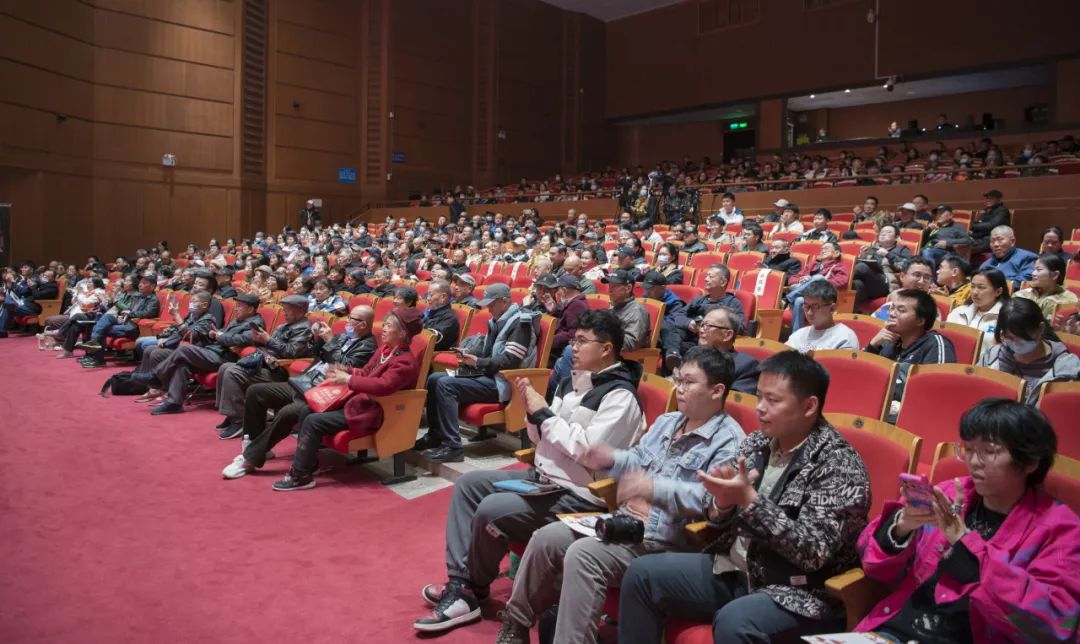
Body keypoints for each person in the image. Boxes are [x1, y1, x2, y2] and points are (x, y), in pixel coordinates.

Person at [414, 310, 646, 634]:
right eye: (574, 340)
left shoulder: (620, 396)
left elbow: (590, 453)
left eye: (582, 341)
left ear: (606, 349)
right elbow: (543, 439)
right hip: (545, 479)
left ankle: (471, 590)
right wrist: (533, 415)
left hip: (579, 493)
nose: (573, 347)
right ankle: (461, 584)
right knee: (469, 484)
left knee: (492, 509)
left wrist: (544, 415)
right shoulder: (571, 379)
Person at [496, 346, 746, 644]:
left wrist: (654, 489)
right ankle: (517, 625)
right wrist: (610, 459)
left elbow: (708, 499)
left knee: (584, 556)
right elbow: (638, 458)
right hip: (625, 521)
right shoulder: (669, 421)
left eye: (689, 382)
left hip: (666, 540)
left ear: (717, 390)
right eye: (678, 379)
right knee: (546, 538)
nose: (679, 388)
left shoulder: (729, 442)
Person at [618, 351, 871, 644]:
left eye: (772, 400)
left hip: (798, 591)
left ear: (809, 406)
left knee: (735, 621)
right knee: (642, 574)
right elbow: (715, 513)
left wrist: (751, 502)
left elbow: (813, 553)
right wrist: (722, 505)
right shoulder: (757, 443)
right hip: (736, 569)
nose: (760, 408)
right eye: (759, 396)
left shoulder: (839, 465)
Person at [855, 399, 1080, 642]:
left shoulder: (1060, 529)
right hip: (895, 630)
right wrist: (902, 527)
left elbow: (1055, 624)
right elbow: (873, 565)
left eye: (989, 451)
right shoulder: (948, 494)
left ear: (1030, 462)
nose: (973, 462)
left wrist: (966, 547)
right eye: (969, 449)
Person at [271, 308, 422, 491]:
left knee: (313, 421)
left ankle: (300, 476)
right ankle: (308, 464)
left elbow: (383, 386)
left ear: (402, 333)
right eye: (384, 324)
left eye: (388, 326)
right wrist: (347, 370)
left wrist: (348, 379)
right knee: (306, 410)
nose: (383, 328)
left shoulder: (405, 361)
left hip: (375, 412)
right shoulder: (385, 349)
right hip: (359, 403)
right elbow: (366, 372)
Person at [222, 305, 376, 469]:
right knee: (256, 391)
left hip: (326, 393)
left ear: (363, 324)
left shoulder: (368, 346)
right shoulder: (342, 337)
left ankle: (251, 457)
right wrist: (317, 339)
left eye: (351, 318)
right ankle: (254, 443)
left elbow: (344, 366)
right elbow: (317, 355)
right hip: (308, 382)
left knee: (288, 412)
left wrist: (330, 341)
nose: (347, 321)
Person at [415, 283, 540, 463]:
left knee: (445, 385)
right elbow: (488, 351)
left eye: (492, 304)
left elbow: (510, 361)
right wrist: (469, 354)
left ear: (505, 302)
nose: (488, 308)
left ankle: (453, 447)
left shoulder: (521, 323)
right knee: (434, 379)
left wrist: (478, 362)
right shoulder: (497, 320)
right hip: (488, 375)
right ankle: (436, 435)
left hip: (504, 383)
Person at [145, 294, 266, 416]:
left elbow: (240, 340)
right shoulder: (237, 321)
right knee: (182, 363)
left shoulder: (256, 324)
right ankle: (174, 403)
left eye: (239, 306)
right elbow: (224, 334)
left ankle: (156, 376)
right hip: (214, 352)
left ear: (250, 309)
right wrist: (215, 333)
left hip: (226, 358)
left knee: (184, 350)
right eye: (236, 305)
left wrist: (220, 336)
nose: (236, 309)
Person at [211, 294, 315, 435]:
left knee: (233, 372)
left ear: (301, 310)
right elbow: (269, 346)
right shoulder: (284, 326)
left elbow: (292, 351)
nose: (284, 312)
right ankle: (233, 415)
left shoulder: (304, 329)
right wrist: (258, 340)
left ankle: (240, 420)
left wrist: (268, 340)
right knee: (225, 367)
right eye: (284, 309)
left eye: (288, 309)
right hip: (266, 363)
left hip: (280, 370)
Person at [866, 289, 957, 421]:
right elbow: (865, 380)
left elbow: (938, 392)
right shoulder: (890, 342)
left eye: (901, 310)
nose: (892, 314)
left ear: (920, 320)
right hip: (878, 412)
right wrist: (872, 346)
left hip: (913, 418)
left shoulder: (936, 344)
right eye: (892, 308)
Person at [979, 298, 1080, 405]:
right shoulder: (992, 357)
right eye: (1009, 337)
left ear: (1040, 329)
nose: (1015, 342)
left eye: (1021, 337)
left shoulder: (1066, 370)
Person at [662, 264, 745, 371]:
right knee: (667, 327)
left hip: (711, 343)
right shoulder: (698, 300)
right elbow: (677, 316)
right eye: (706, 276)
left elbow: (740, 326)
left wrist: (710, 325)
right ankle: (673, 355)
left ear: (723, 282)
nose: (706, 279)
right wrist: (689, 323)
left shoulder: (733, 303)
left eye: (711, 276)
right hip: (690, 338)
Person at [77, 274, 161, 367]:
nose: (140, 285)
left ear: (152, 286)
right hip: (127, 323)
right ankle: (94, 350)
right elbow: (130, 310)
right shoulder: (139, 297)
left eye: (144, 283)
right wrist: (124, 315)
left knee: (101, 329)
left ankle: (97, 357)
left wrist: (129, 314)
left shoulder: (153, 299)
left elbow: (148, 313)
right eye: (140, 283)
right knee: (107, 318)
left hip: (134, 327)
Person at [947, 267, 1009, 361]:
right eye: (972, 286)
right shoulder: (958, 312)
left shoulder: (1007, 318)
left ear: (998, 291)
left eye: (981, 287)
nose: (975, 292)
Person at [786, 242, 850, 331]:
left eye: (826, 248)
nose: (823, 250)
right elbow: (792, 279)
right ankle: (796, 334)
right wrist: (802, 280)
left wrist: (820, 281)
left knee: (817, 279)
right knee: (799, 296)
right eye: (822, 249)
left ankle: (789, 298)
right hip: (806, 294)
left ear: (836, 253)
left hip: (822, 297)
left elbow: (842, 282)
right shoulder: (813, 265)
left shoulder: (839, 266)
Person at [697, 306, 760, 394]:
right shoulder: (693, 355)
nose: (701, 330)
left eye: (708, 326)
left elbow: (733, 401)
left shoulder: (746, 366)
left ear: (727, 335)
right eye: (702, 325)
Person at [785, 281, 859, 353]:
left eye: (815, 307)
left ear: (832, 308)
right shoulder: (798, 335)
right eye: (806, 306)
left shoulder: (845, 337)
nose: (809, 312)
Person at [853, 224, 912, 303]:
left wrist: (888, 254)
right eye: (882, 232)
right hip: (869, 284)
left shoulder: (902, 250)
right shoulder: (872, 250)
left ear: (896, 237)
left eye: (888, 232)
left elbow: (906, 267)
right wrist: (861, 257)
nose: (883, 234)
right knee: (856, 285)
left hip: (886, 284)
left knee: (862, 267)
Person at [1014, 254, 1078, 322]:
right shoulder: (1022, 294)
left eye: (1039, 270)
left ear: (1055, 275)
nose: (1033, 273)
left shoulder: (1068, 300)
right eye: (1034, 269)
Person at [0, 264, 59, 337]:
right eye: (43, 275)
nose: (43, 277)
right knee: (8, 304)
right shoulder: (41, 284)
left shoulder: (52, 287)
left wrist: (33, 286)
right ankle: (2, 331)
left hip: (37, 307)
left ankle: (2, 331)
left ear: (53, 278)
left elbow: (38, 296)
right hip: (27, 304)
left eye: (46, 276)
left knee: (9, 305)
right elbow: (23, 291)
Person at [979, 225, 1037, 289]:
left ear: (1012, 241)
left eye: (1000, 240)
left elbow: (1023, 283)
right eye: (992, 241)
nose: (995, 244)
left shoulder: (1027, 258)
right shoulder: (986, 264)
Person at [549, 274, 588, 359]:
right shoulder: (573, 303)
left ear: (564, 290)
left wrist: (549, 340)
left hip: (561, 352)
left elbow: (573, 335)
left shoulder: (577, 305)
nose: (556, 293)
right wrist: (554, 311)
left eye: (558, 290)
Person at [420, 280, 459, 351]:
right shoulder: (428, 312)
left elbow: (432, 340)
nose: (428, 298)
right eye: (428, 295)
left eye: (431, 295)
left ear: (443, 297)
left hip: (429, 353)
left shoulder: (449, 319)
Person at [969, 189, 1011, 254]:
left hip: (995, 240)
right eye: (987, 198)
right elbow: (978, 224)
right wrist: (972, 232)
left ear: (999, 199)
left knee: (965, 247)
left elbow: (991, 225)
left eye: (991, 198)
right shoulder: (987, 210)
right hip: (982, 238)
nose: (988, 200)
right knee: (961, 242)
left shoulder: (1002, 210)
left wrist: (974, 226)